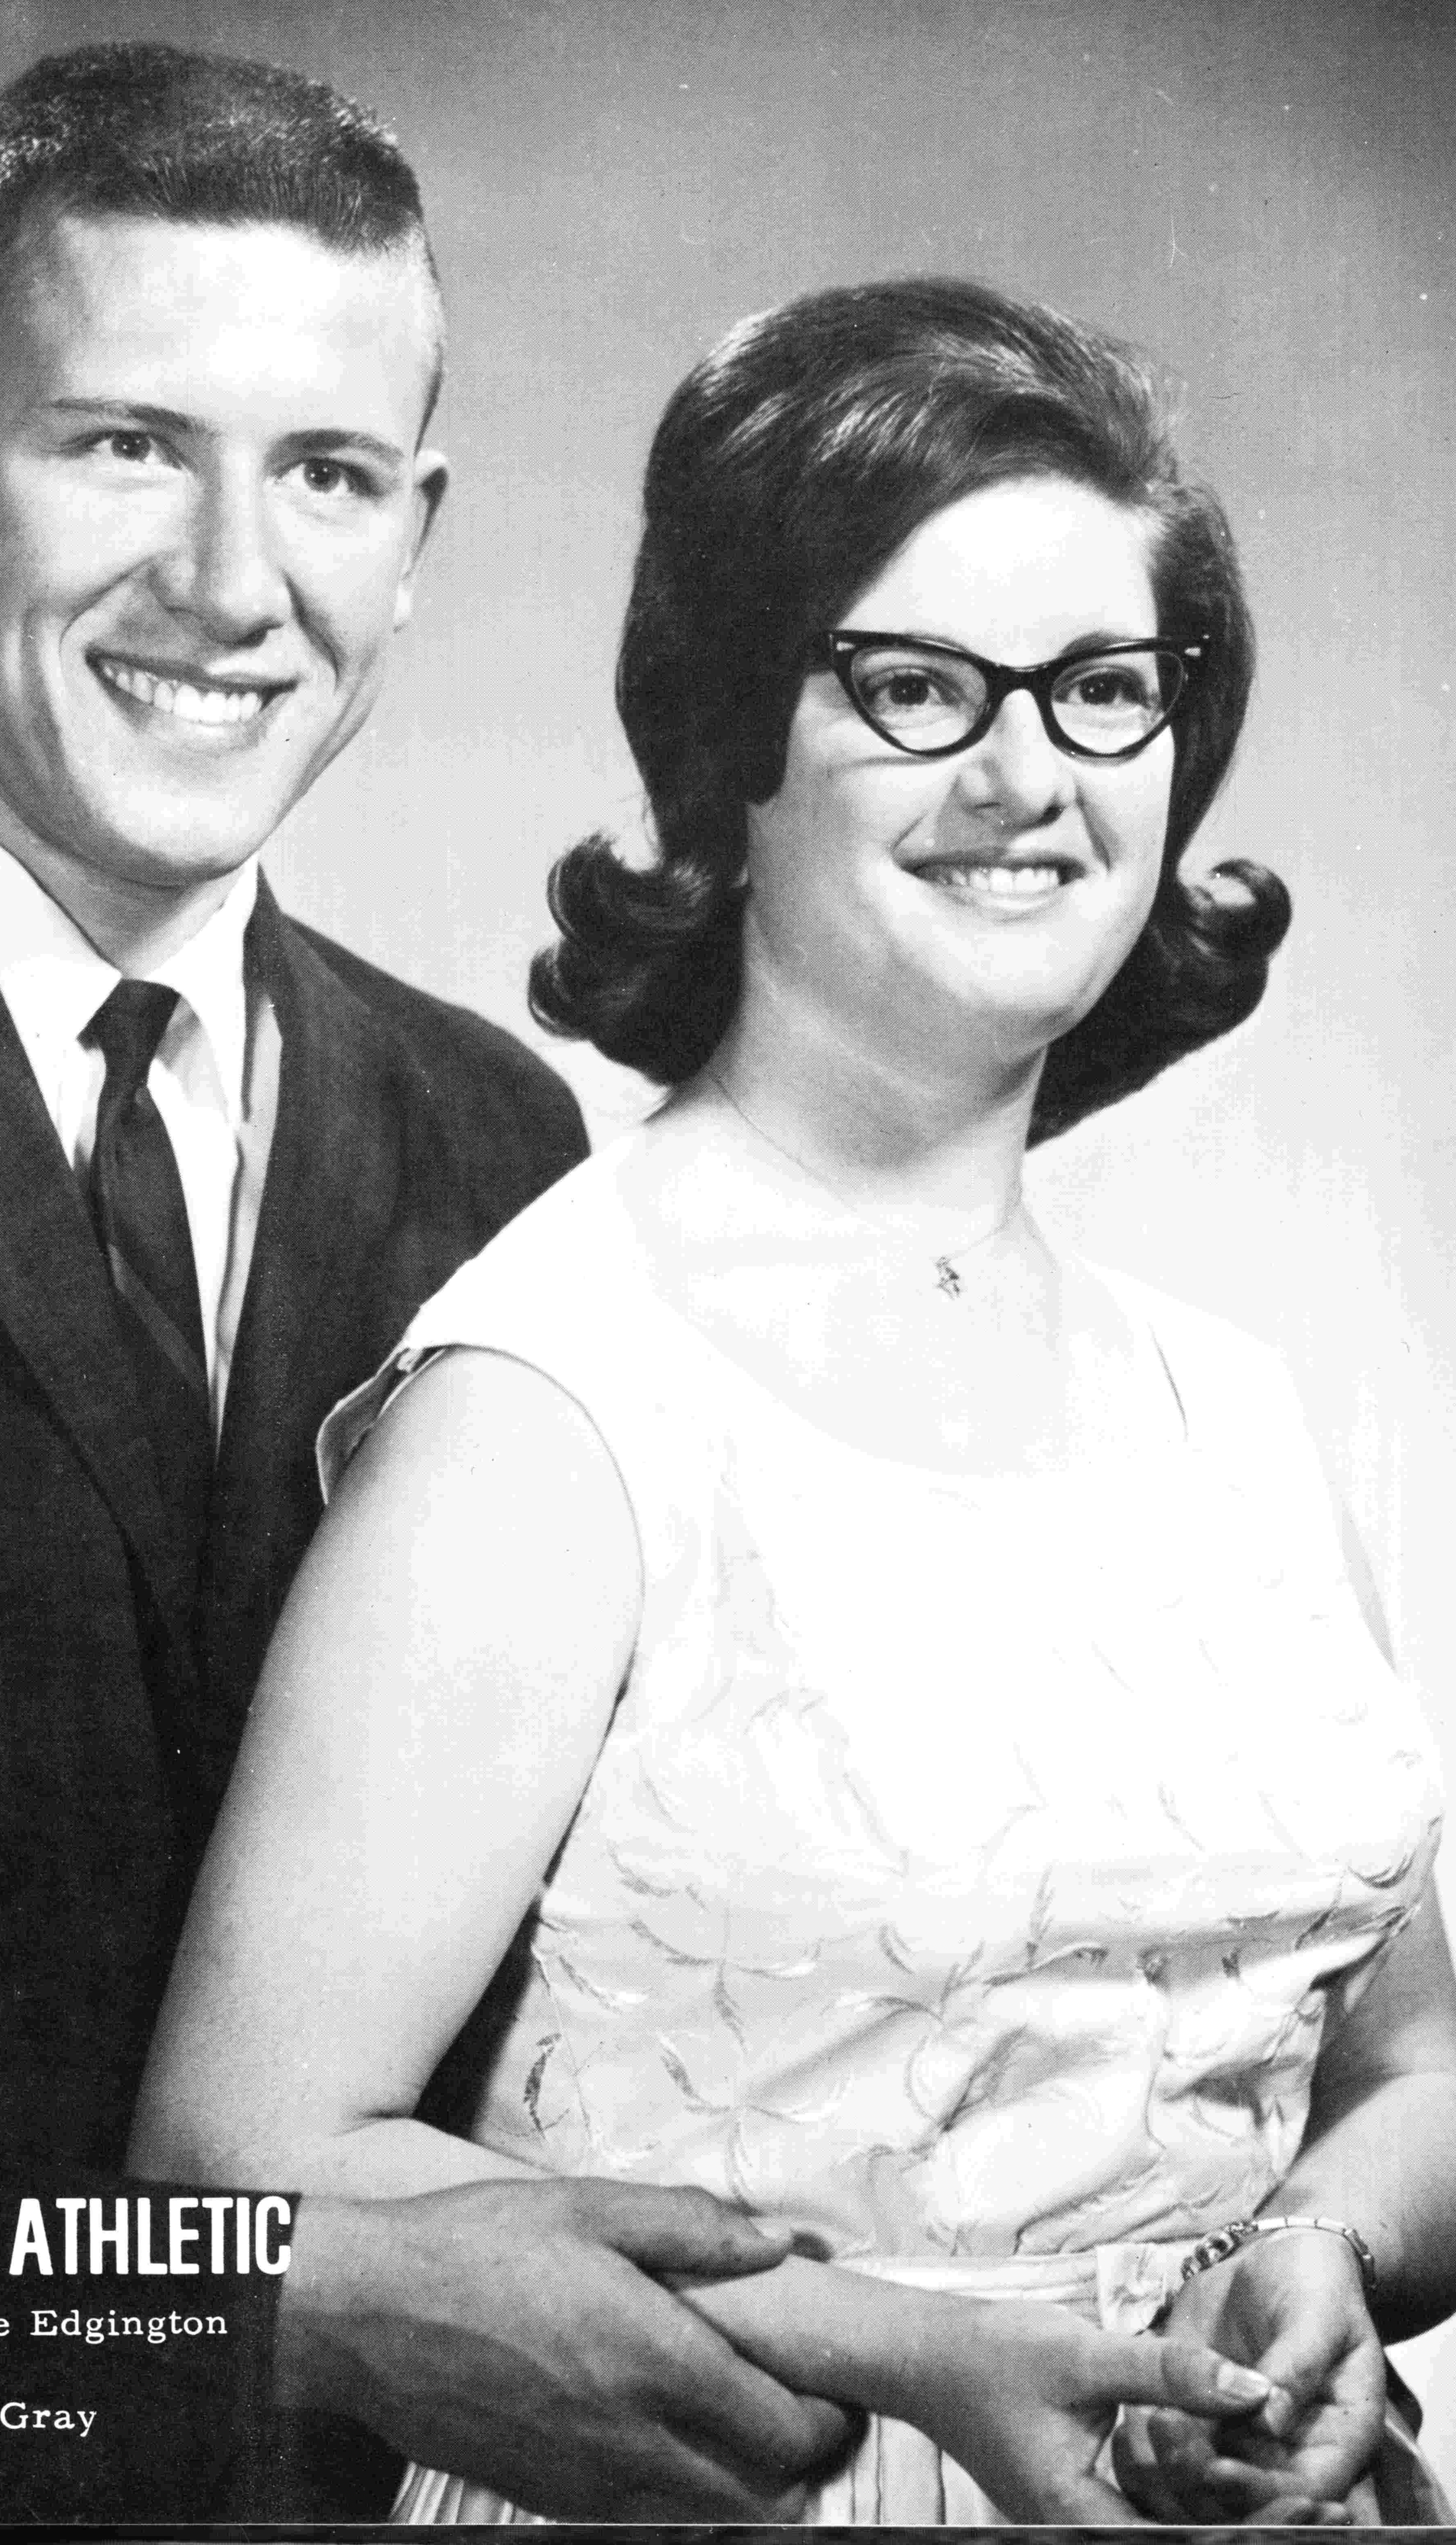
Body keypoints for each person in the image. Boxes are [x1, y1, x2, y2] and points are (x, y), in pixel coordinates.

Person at [133, 278, 1456, 2524]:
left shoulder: (1230, 1408)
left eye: (1103, 690)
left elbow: (1410, 2063)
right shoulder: (553, 1405)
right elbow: (241, 2173)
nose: (1026, 778)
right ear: (729, 747)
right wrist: (909, 2357)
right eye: (918, 687)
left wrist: (1321, 2245)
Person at [0, 42, 860, 2527]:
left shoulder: (491, 1141)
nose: (232, 585)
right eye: (126, 444)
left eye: (323, 474)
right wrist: (241, 2315)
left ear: (413, 533)